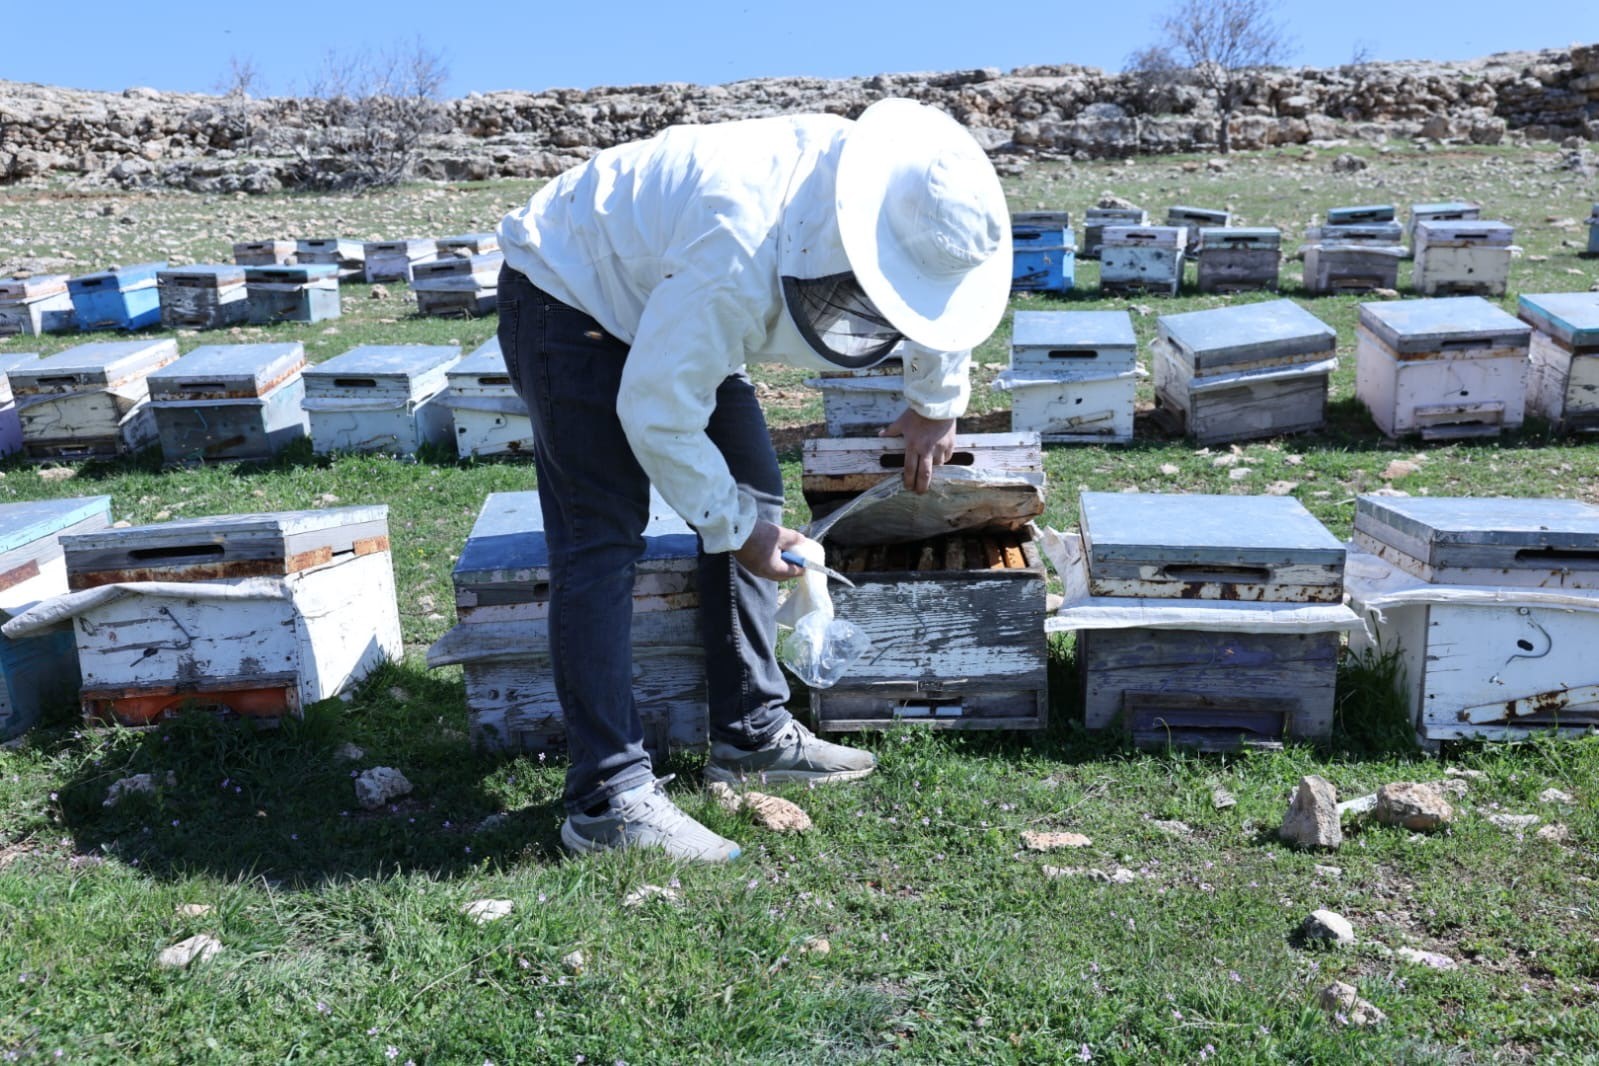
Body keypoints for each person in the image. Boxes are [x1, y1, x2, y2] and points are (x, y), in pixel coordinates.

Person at [495, 97, 1011, 862]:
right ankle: (607, 798)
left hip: (669, 282)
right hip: (570, 287)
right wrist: (736, 532)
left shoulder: (909, 197)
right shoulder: (735, 251)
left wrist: (935, 403)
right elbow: (657, 413)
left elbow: (937, 291)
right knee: (599, 536)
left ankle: (751, 733)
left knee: (754, 483)